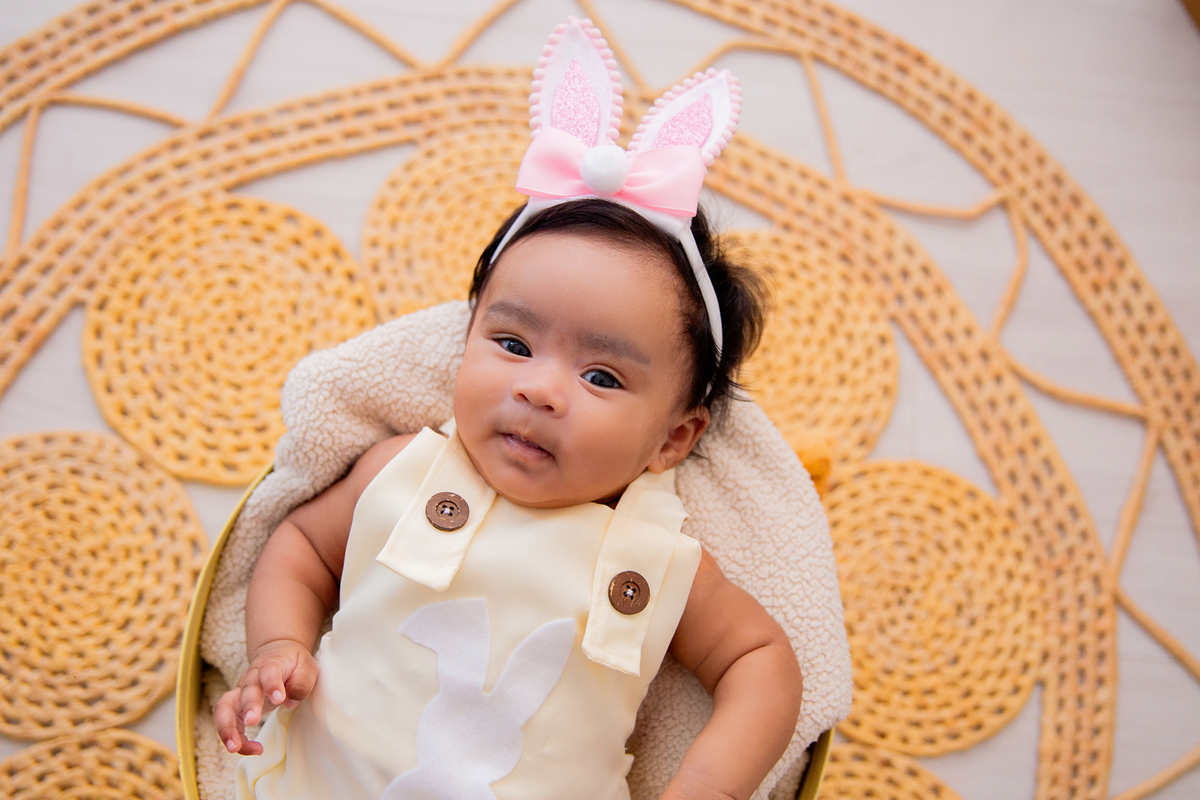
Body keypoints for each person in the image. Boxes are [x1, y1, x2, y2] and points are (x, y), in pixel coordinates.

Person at [215, 18, 804, 800]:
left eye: (601, 377)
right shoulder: (407, 471)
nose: (540, 389)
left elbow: (762, 663)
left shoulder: (657, 561)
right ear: (467, 342)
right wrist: (281, 644)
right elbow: (301, 548)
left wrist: (708, 784)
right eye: (514, 345)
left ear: (673, 439)